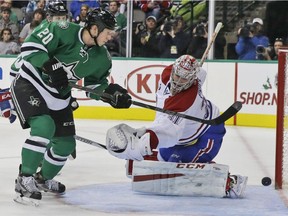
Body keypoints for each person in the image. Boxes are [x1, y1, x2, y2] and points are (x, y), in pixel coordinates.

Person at [10, 8, 131, 205]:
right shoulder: (62, 29)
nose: (111, 36)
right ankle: (25, 179)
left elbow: (93, 85)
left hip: (59, 95)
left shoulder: (102, 57)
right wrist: (48, 64)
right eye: (108, 32)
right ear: (94, 28)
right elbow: (31, 46)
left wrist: (111, 94)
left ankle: (42, 179)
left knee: (66, 144)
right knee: (44, 127)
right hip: (30, 83)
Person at [105, 54, 248, 198]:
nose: (178, 81)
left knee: (177, 163)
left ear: (192, 79)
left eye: (184, 78)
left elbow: (169, 133)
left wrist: (139, 148)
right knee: (166, 157)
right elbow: (201, 74)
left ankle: (229, 182)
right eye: (177, 75)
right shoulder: (168, 74)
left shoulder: (185, 100)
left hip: (209, 132)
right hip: (185, 133)